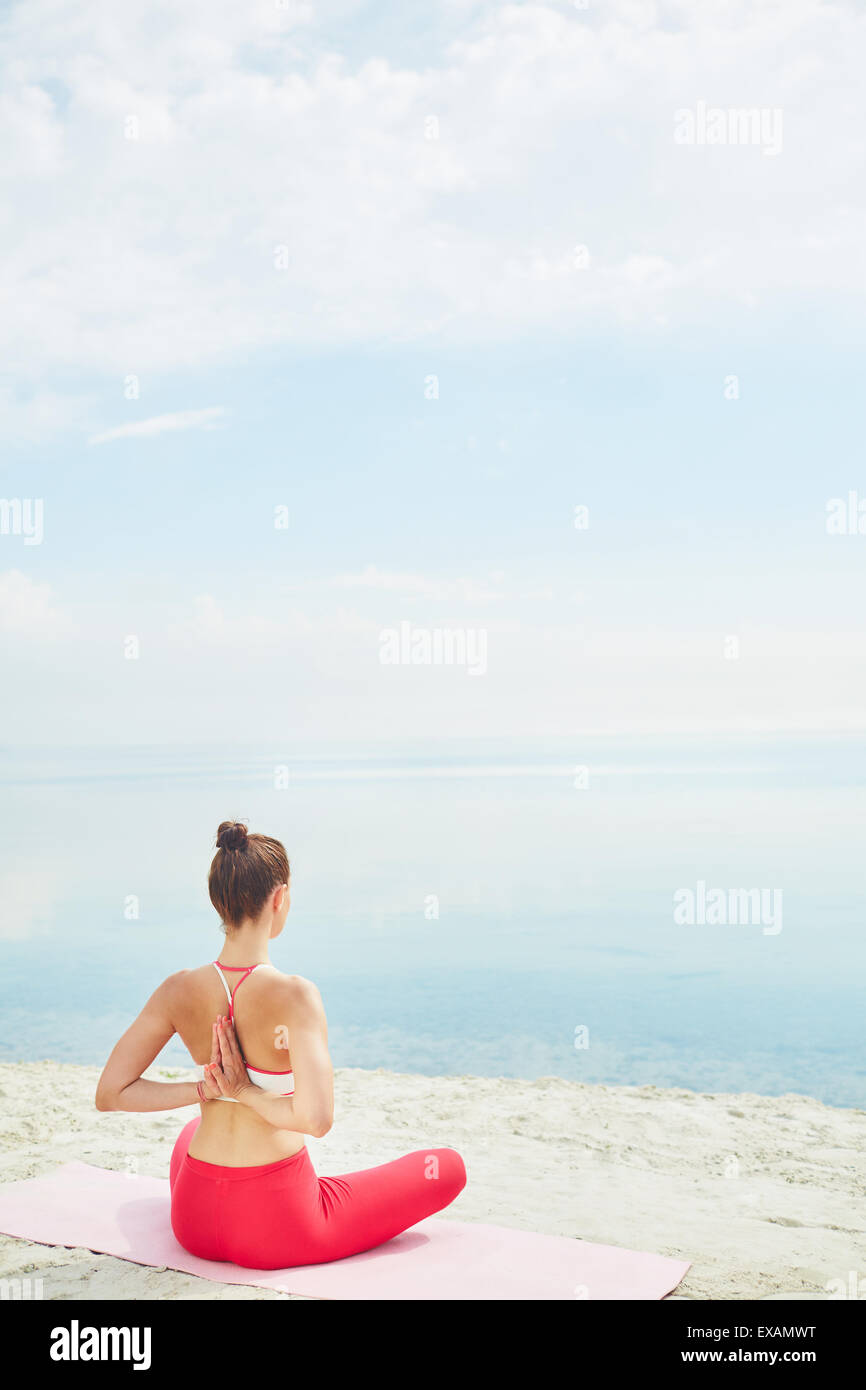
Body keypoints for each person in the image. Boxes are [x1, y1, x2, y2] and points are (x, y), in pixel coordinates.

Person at [95, 820, 466, 1269]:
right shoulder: (295, 996)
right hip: (276, 1225)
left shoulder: (177, 989)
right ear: (280, 899)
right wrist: (244, 1091)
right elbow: (316, 1119)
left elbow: (111, 1093)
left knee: (192, 1132)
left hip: (193, 1222)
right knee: (446, 1167)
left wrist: (204, 1091)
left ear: (218, 901)